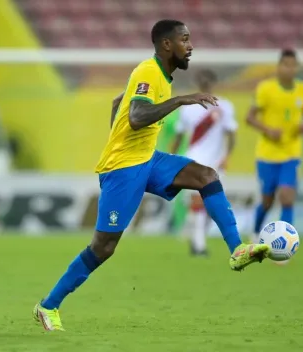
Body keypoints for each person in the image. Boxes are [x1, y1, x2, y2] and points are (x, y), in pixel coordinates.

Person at [33, 19, 270, 331]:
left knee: (206, 176)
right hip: (124, 168)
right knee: (103, 247)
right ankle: (48, 306)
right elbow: (136, 116)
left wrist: (115, 133)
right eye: (185, 39)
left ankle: (237, 249)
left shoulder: (158, 75)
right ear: (167, 45)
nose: (191, 46)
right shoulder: (149, 71)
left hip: (148, 159)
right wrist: (181, 100)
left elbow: (120, 101)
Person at [246, 49, 303, 243]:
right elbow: (249, 117)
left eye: (293, 65)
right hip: (267, 154)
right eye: (285, 65)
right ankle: (256, 231)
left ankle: (285, 242)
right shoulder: (266, 89)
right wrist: (267, 130)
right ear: (278, 67)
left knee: (287, 197)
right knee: (267, 201)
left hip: (291, 153)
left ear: (297, 68)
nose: (289, 69)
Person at [172, 69, 237, 256]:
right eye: (203, 81)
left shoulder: (225, 106)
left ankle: (196, 236)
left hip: (216, 161)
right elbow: (178, 136)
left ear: (214, 83)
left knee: (211, 205)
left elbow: (232, 134)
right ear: (198, 82)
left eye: (209, 82)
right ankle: (199, 246)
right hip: (195, 158)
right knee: (198, 201)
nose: (206, 85)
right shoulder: (188, 108)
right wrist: (172, 158)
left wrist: (227, 156)